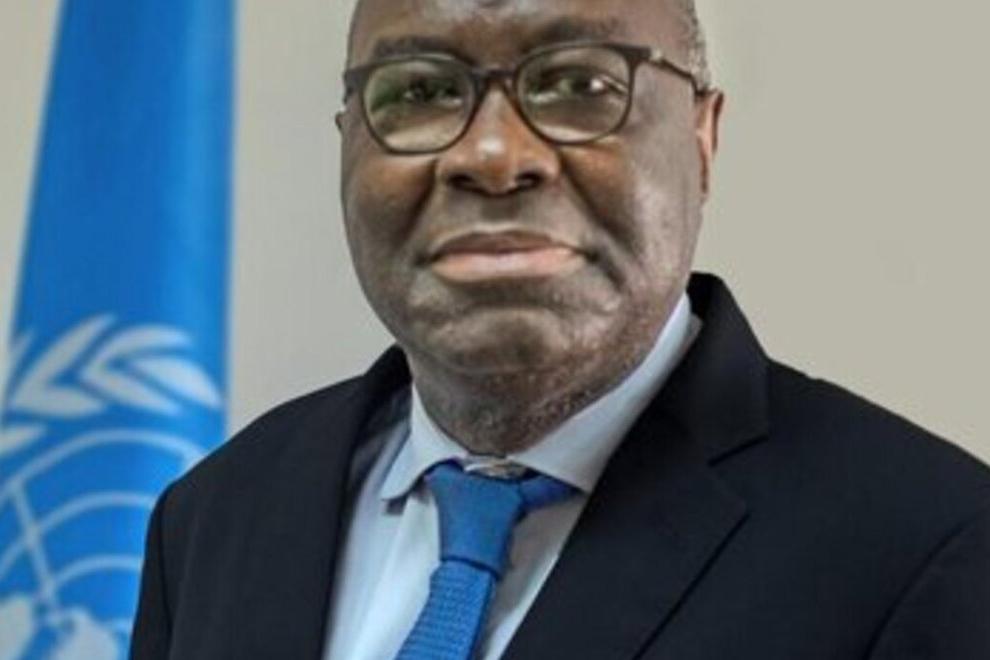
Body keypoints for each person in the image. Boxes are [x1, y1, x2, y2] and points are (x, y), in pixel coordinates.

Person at [131, 0, 990, 658]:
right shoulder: (211, 520)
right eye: (420, 91)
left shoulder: (933, 549)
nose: (493, 156)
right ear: (348, 143)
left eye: (580, 85)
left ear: (702, 138)